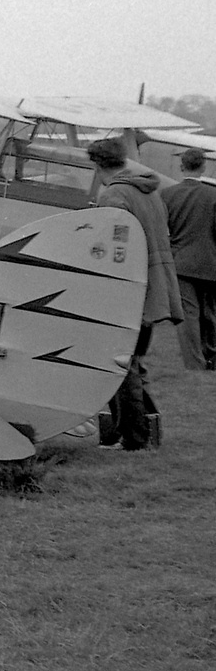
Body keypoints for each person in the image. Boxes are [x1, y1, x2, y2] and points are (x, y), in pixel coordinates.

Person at [88, 138, 183, 450]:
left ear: (97, 164)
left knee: (119, 362)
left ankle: (135, 438)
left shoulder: (114, 193)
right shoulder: (148, 190)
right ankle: (143, 429)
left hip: (127, 290)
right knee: (134, 362)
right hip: (153, 286)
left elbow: (110, 248)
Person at [160, 150, 216, 370]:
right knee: (210, 313)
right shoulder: (213, 196)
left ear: (181, 167)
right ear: (203, 167)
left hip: (181, 262)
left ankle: (194, 363)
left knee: (189, 314)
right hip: (211, 262)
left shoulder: (167, 195)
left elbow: (163, 230)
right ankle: (211, 356)